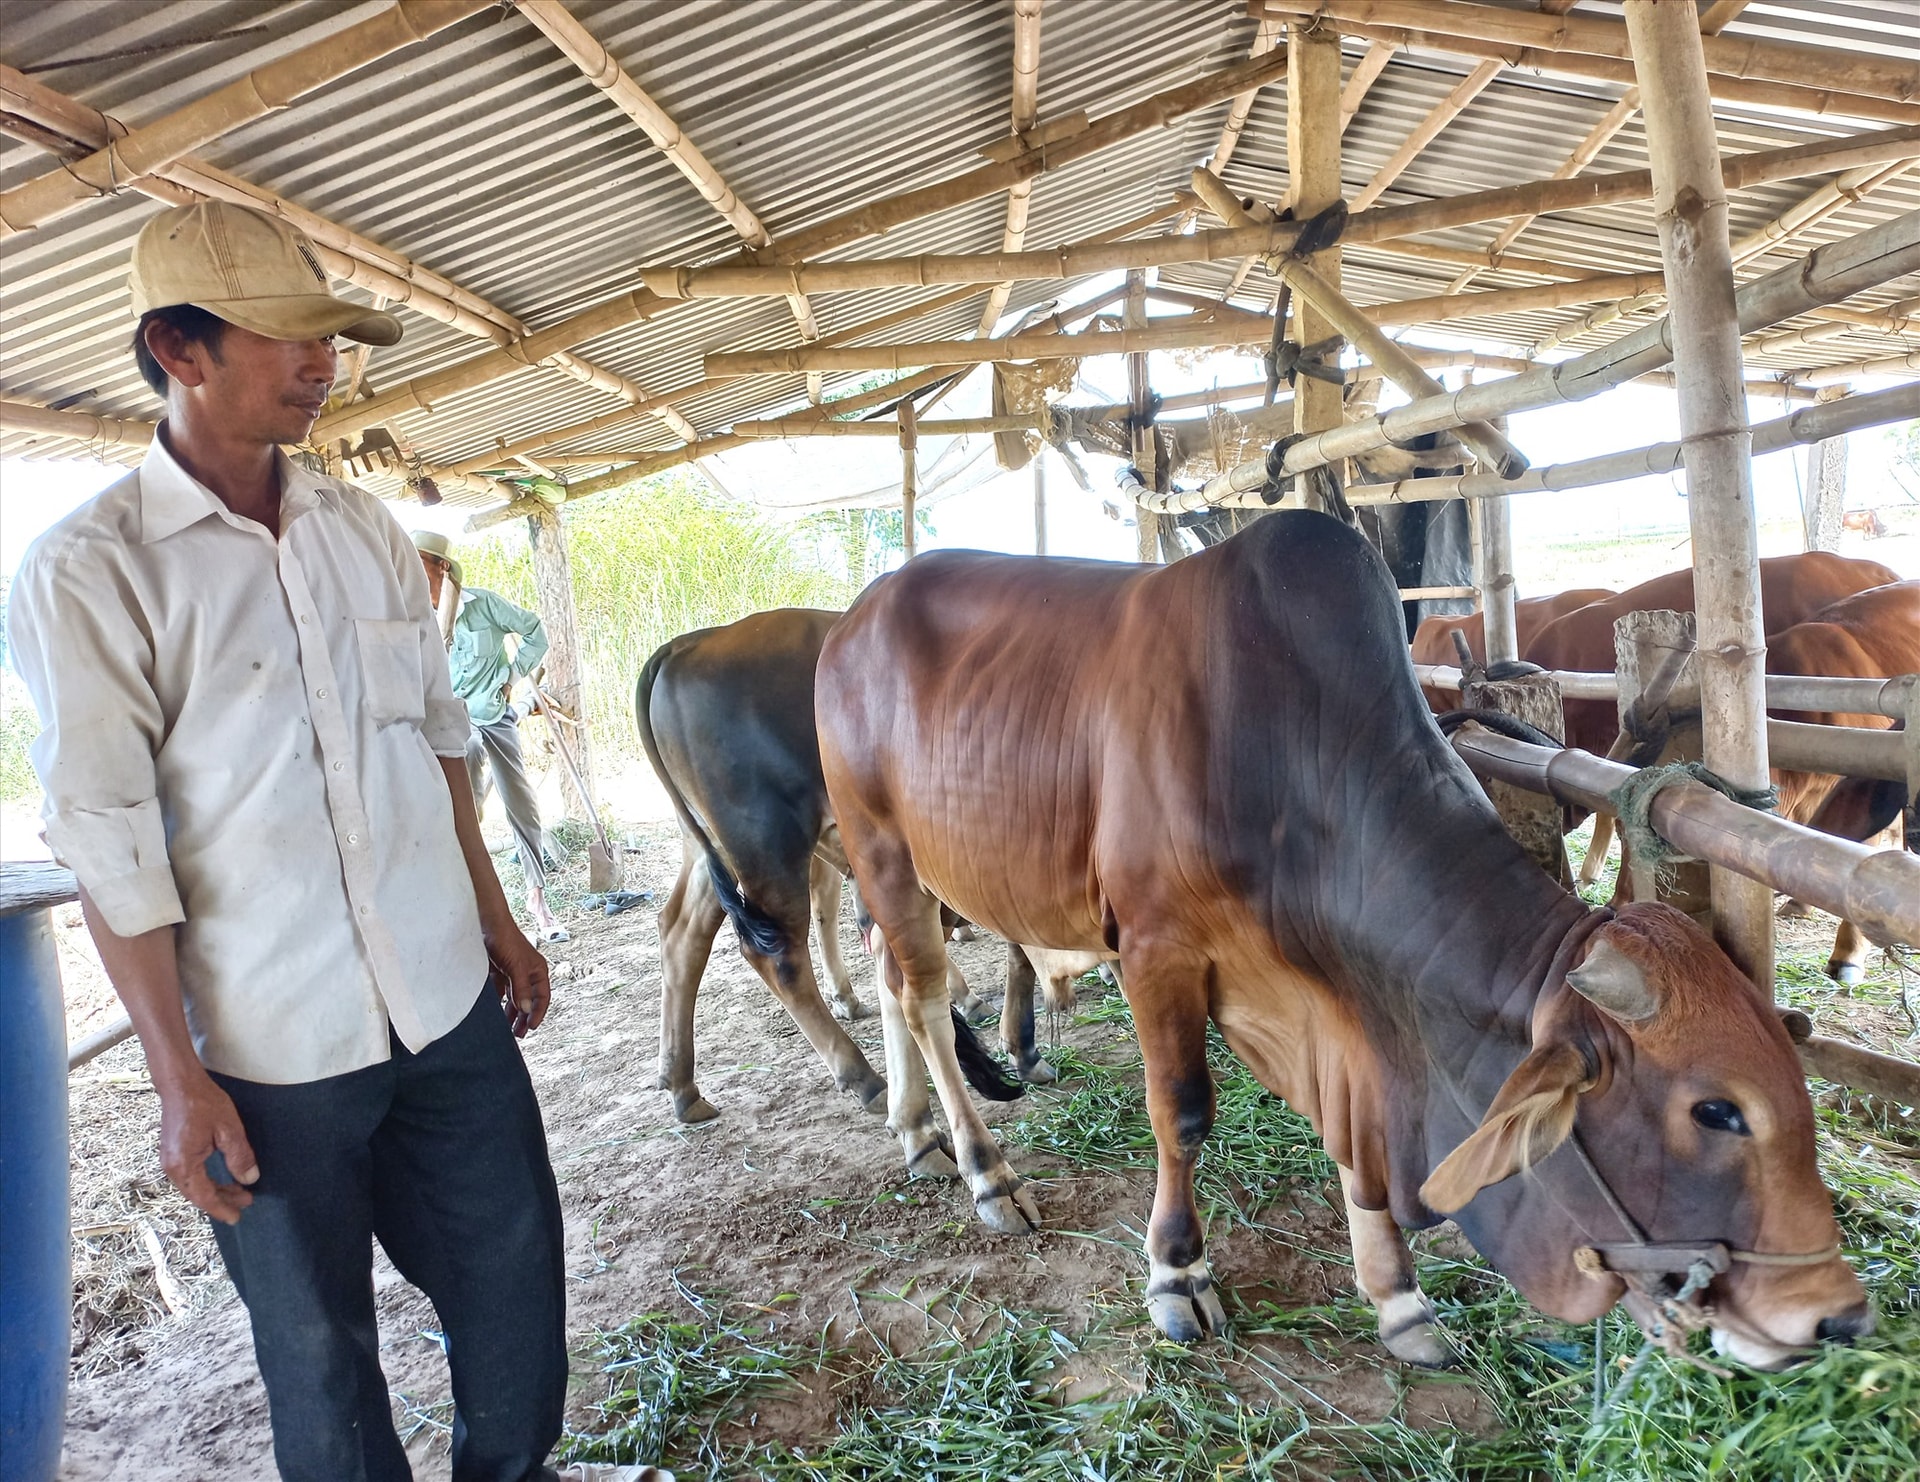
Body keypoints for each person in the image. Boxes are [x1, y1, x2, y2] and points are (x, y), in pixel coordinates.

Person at [8, 201, 664, 1482]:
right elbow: (109, 837)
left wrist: (494, 914)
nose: (324, 367)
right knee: (318, 1363)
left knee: (517, 1297)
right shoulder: (93, 570)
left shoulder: (363, 533)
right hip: (266, 1051)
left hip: (441, 1007)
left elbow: (437, 740)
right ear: (178, 349)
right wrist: (176, 1078)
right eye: (291, 341)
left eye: (332, 344)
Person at [410, 531, 569, 943]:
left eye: (418, 562)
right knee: (463, 809)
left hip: (493, 716)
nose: (407, 571)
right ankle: (475, 907)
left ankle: (538, 900)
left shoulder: (483, 606)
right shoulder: (415, 617)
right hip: (450, 726)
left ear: (441, 566)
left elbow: (535, 631)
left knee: (520, 802)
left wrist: (513, 678)